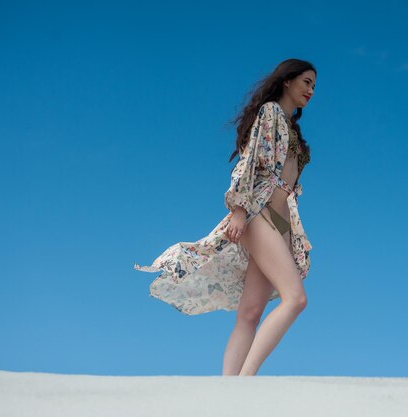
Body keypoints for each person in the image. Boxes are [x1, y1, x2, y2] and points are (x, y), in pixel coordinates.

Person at [134, 58, 316, 376]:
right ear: (287, 81)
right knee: (295, 299)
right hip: (259, 214)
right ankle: (244, 383)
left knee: (250, 312)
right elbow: (249, 163)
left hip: (282, 221)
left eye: (314, 86)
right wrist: (239, 211)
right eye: (306, 82)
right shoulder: (271, 113)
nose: (311, 90)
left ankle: (227, 393)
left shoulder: (292, 128)